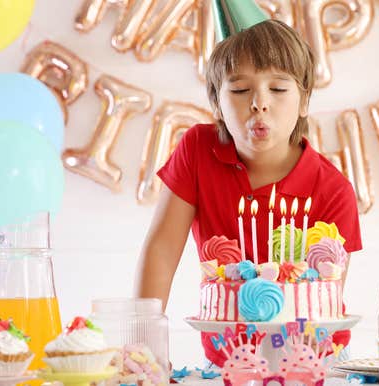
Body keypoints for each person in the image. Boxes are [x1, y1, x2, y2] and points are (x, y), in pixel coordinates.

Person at [135, 1, 362, 368]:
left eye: (277, 89)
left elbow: (320, 299)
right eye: (240, 91)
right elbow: (161, 251)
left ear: (304, 100)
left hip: (313, 361)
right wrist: (143, 350)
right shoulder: (197, 150)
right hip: (227, 360)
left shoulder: (332, 189)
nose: (259, 103)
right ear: (216, 103)